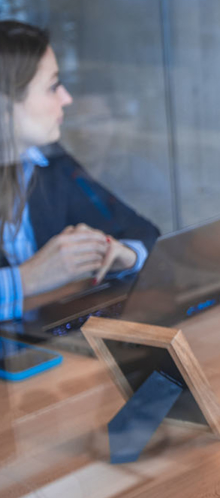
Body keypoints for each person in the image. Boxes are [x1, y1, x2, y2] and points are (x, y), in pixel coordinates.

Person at [0, 21, 159, 323]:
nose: (66, 99)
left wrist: (122, 254)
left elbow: (142, 232)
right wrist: (27, 279)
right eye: (52, 87)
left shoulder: (48, 164)